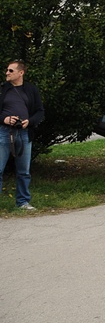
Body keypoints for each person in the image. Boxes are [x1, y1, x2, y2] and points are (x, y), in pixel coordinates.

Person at [0, 60, 45, 210]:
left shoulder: (31, 90)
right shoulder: (2, 89)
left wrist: (29, 122)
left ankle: (23, 202)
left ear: (21, 73)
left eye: (10, 71)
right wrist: (4, 119)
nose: (7, 73)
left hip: (25, 133)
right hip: (4, 133)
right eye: (7, 70)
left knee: (24, 171)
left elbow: (40, 111)